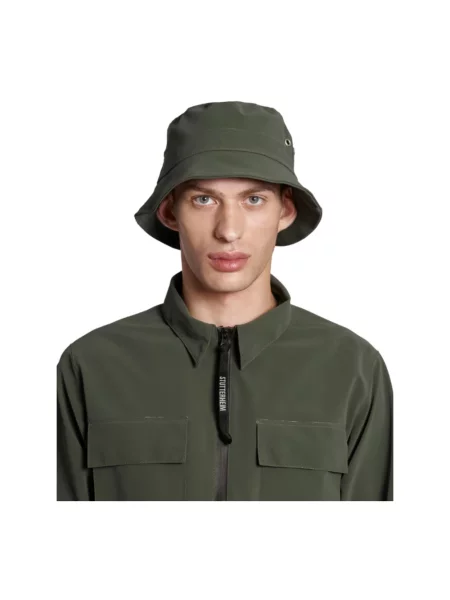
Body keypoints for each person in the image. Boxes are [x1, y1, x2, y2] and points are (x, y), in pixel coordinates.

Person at [57, 100, 393, 501]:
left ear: (285, 210)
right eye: (204, 200)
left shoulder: (352, 368)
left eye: (254, 200)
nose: (229, 230)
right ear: (170, 211)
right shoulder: (92, 366)